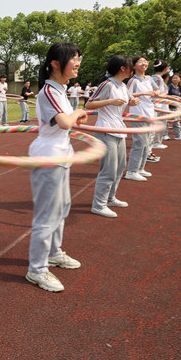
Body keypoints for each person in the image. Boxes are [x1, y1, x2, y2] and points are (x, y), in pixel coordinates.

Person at [25, 42, 86, 292]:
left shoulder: (60, 89)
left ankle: (54, 253)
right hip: (48, 156)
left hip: (62, 153)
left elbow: (65, 123)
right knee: (47, 216)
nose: (78, 63)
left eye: (78, 59)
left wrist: (76, 117)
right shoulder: (49, 91)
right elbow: (62, 122)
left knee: (62, 208)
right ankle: (36, 270)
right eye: (74, 59)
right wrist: (78, 112)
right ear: (55, 64)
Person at [85, 55, 139, 218]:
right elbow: (89, 104)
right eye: (131, 66)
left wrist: (132, 101)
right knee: (108, 169)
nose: (133, 69)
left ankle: (109, 198)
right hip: (105, 129)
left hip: (119, 129)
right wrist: (110, 101)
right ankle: (98, 204)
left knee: (120, 167)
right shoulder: (107, 84)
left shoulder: (123, 86)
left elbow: (127, 100)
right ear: (122, 68)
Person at [125, 56, 158, 181]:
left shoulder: (149, 79)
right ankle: (131, 171)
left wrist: (157, 93)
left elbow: (157, 90)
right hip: (138, 115)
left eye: (145, 61)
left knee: (147, 143)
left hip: (149, 113)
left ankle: (140, 168)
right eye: (140, 62)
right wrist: (144, 93)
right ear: (134, 66)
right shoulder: (133, 80)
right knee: (139, 143)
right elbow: (128, 94)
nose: (144, 63)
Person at [150, 60, 170, 149]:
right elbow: (155, 92)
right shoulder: (157, 79)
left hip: (160, 105)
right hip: (158, 106)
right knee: (159, 125)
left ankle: (156, 142)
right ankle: (155, 143)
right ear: (166, 69)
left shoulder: (155, 78)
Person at [166, 73, 181, 140]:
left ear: (180, 79)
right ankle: (165, 135)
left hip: (176, 107)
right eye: (173, 78)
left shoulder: (180, 89)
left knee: (176, 122)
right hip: (167, 107)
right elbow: (165, 96)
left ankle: (178, 135)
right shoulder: (168, 87)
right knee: (166, 122)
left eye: (176, 78)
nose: (174, 79)